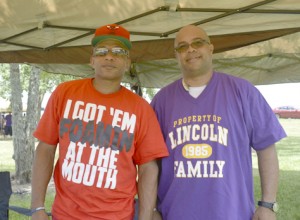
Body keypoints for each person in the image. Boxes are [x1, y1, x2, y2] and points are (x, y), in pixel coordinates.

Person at [31, 23, 169, 220]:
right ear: (92, 60)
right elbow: (45, 148)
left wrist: (146, 216)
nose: (109, 56)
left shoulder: (141, 109)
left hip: (118, 215)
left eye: (119, 52)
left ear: (128, 62)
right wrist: (37, 207)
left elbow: (148, 166)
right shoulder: (64, 93)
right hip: (66, 214)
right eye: (102, 51)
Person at [151, 25, 286, 220]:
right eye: (182, 46)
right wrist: (153, 209)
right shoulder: (162, 101)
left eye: (198, 43)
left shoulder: (243, 91)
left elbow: (266, 149)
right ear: (176, 55)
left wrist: (267, 204)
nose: (190, 50)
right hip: (175, 213)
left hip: (232, 213)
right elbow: (150, 162)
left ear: (211, 48)